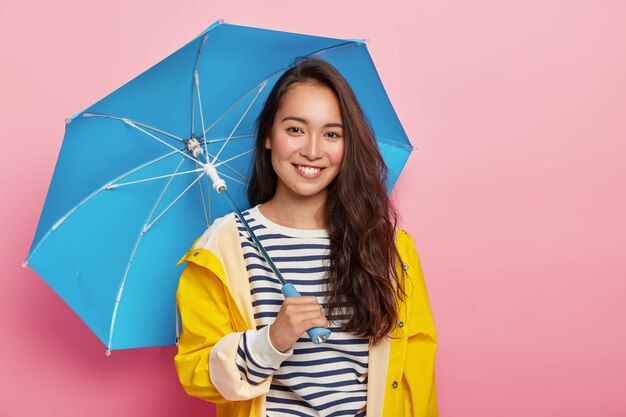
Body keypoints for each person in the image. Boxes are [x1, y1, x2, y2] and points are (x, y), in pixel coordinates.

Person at [174, 57, 438, 417]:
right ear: (269, 135)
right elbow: (197, 372)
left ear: (348, 146)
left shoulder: (388, 246)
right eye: (295, 129)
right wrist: (271, 340)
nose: (313, 151)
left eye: (331, 134)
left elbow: (416, 373)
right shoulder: (222, 247)